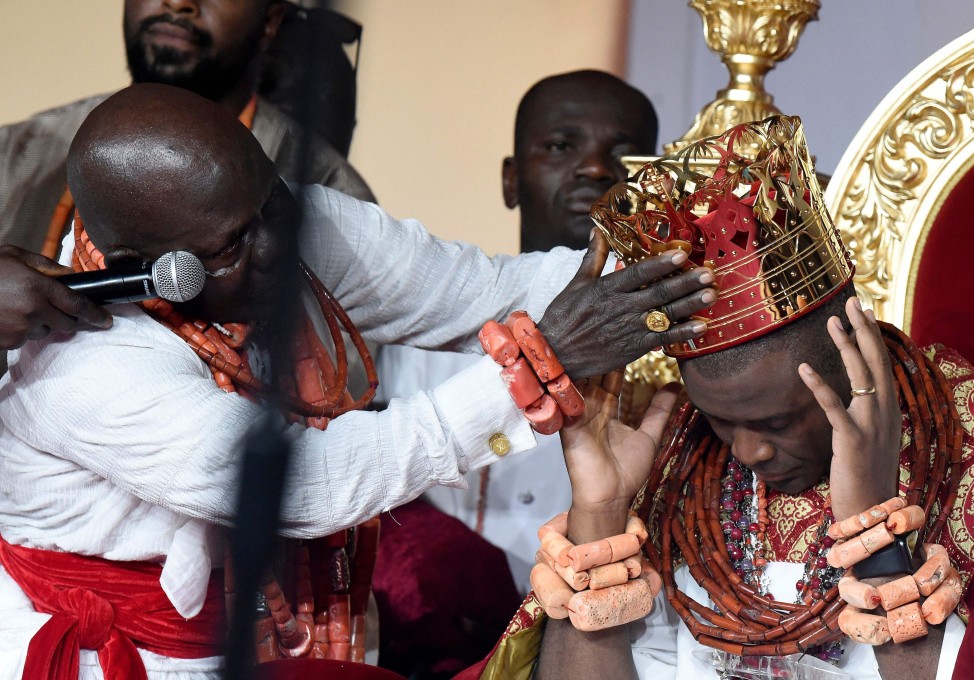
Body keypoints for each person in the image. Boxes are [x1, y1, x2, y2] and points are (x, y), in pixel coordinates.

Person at [0, 83, 716, 679]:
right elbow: (306, 484)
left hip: (294, 632)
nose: (279, 246)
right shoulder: (84, 366)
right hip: (134, 659)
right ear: (142, 265)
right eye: (229, 248)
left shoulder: (271, 219)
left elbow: (495, 292)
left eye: (271, 203)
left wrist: (708, 260)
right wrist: (543, 361)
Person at [465, 115, 974, 680]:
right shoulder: (686, 460)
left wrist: (874, 531)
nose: (749, 451)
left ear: (855, 359)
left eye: (777, 422)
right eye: (722, 421)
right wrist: (601, 513)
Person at [375, 69, 660, 592]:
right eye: (560, 145)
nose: (596, 168)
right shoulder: (416, 332)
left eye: (625, 154)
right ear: (511, 179)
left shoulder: (663, 344)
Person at [0, 0, 372, 353]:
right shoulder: (16, 152)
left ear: (270, 21)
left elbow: (334, 397)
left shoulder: (331, 189)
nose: (178, 3)